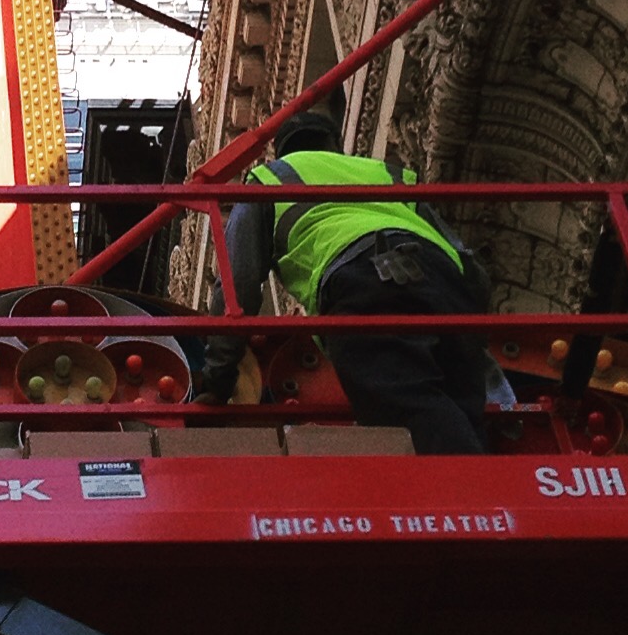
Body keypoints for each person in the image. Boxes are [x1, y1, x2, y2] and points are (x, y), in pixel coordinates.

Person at [199, 90, 491, 454]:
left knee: (404, 410)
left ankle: (464, 487)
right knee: (465, 414)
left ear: (281, 152)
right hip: (448, 283)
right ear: (335, 145)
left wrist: (219, 377)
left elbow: (237, 285)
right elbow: (469, 263)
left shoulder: (270, 178)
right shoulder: (385, 172)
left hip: (364, 280)